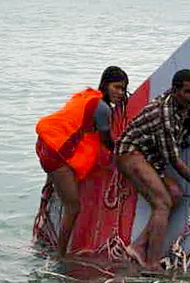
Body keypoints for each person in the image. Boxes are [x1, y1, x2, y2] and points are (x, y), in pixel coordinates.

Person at [115, 63, 190, 268]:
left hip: (151, 156)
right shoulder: (165, 116)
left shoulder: (189, 84)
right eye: (189, 92)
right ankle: (152, 264)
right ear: (176, 90)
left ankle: (138, 246)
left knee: (175, 195)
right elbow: (174, 161)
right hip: (130, 153)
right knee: (162, 204)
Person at [35, 66, 129, 256]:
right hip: (55, 153)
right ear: (105, 85)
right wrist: (124, 152)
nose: (120, 93)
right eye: (116, 87)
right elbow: (106, 140)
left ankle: (47, 192)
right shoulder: (102, 109)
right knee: (73, 207)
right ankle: (61, 255)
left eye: (123, 89)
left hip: (44, 142)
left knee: (60, 177)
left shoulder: (86, 96)